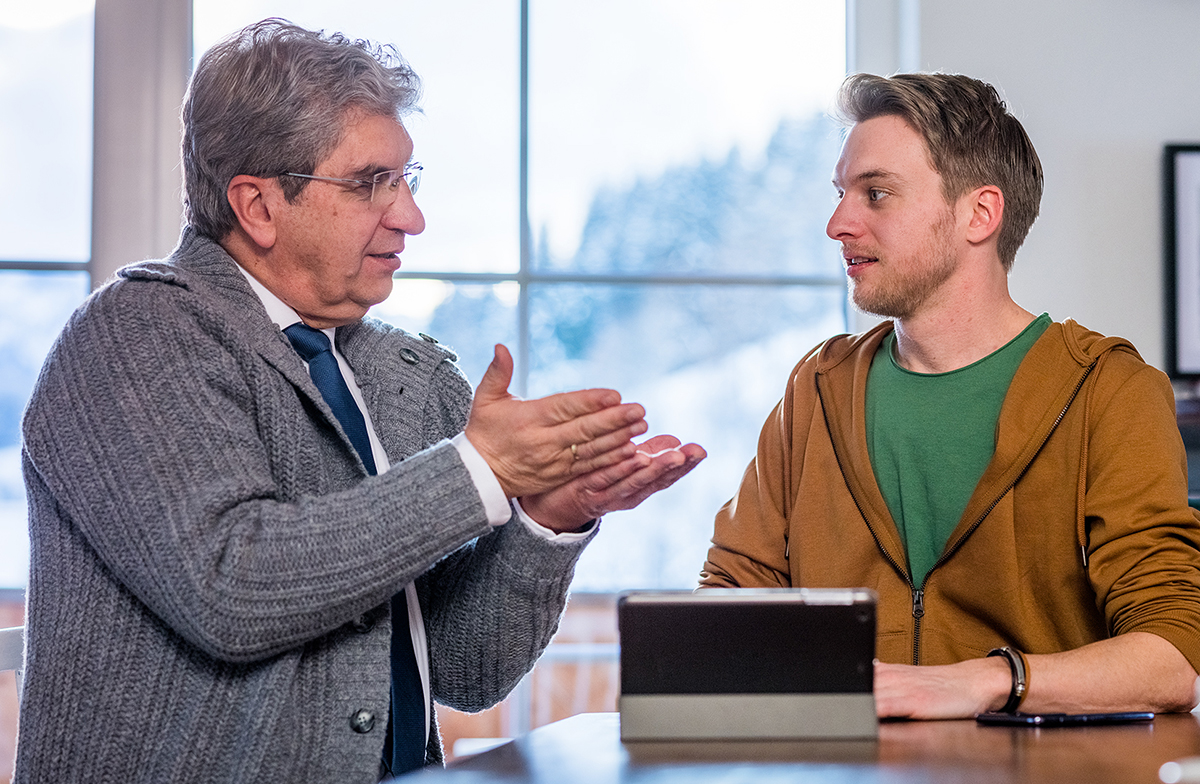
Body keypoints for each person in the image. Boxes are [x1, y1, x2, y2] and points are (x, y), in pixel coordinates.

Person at [15, 19, 704, 784]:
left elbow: (463, 671)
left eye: (409, 180)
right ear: (259, 204)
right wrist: (479, 471)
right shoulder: (133, 337)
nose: (409, 215)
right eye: (370, 181)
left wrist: (547, 518)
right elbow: (229, 586)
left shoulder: (400, 375)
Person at [700, 72, 1200, 720]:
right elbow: (726, 609)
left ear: (979, 215)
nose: (837, 223)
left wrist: (984, 682)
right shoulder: (816, 390)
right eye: (841, 194)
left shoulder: (1110, 391)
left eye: (875, 194)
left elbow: (1174, 657)